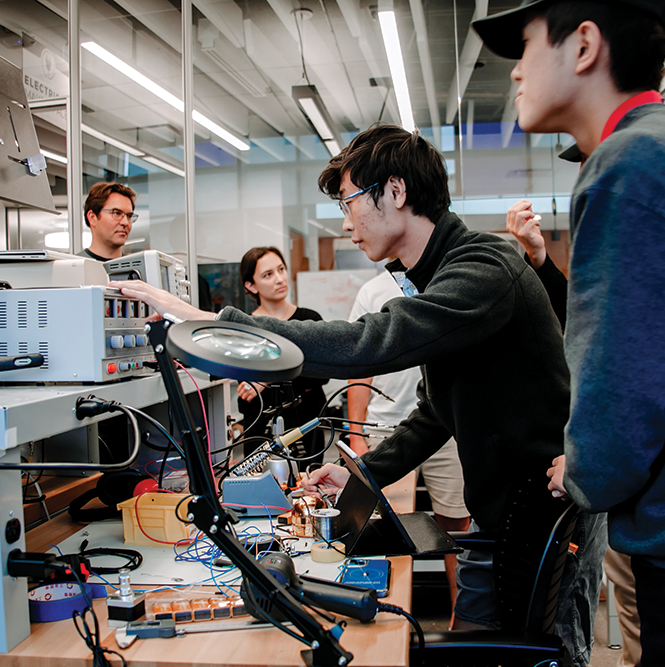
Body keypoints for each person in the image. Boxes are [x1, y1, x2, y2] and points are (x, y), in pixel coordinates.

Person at [111, 123, 605, 667]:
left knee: (550, 655)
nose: (346, 224)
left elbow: (371, 341)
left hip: (541, 512)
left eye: (349, 202)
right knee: (486, 642)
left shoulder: (484, 268)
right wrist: (362, 474)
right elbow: (437, 410)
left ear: (395, 192)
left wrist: (213, 323)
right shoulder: (442, 273)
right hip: (506, 515)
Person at [473, 1, 665, 664]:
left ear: (583, 45)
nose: (514, 75)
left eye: (523, 48)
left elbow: (624, 378)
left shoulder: (626, 160)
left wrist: (581, 471)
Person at [506, 200, 641, 667]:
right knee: (626, 607)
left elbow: (626, 384)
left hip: (626, 483)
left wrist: (586, 456)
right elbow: (580, 336)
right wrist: (538, 258)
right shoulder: (616, 285)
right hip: (618, 491)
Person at [346, 269, 470, 623]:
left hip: (443, 426)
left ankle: (459, 620)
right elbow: (360, 367)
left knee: (456, 525)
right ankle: (391, 618)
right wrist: (357, 434)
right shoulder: (372, 292)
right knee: (390, 525)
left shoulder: (446, 281)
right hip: (385, 427)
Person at [235, 246, 328, 467]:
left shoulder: (309, 320)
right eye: (268, 275)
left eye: (281, 269)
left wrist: (266, 379)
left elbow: (320, 373)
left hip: (306, 426)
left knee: (308, 489)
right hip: (261, 429)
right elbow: (246, 388)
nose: (280, 279)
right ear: (251, 285)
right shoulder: (244, 328)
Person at [78, 182, 137, 261]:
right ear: (92, 218)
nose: (125, 222)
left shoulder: (138, 270)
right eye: (116, 213)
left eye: (129, 216)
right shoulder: (72, 268)